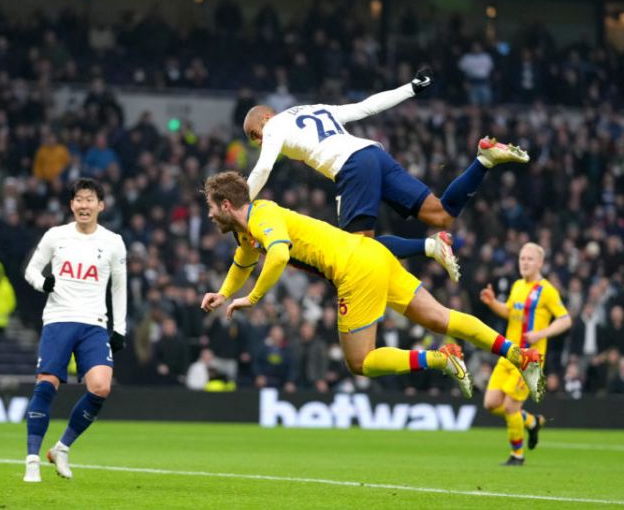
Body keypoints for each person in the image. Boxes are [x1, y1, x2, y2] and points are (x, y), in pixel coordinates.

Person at [199, 172, 543, 401]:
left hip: (355, 271)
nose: (211, 215)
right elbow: (243, 262)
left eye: (212, 208)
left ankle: (440, 360)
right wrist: (225, 293)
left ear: (226, 204)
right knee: (441, 317)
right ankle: (520, 356)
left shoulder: (263, 216)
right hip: (372, 254)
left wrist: (252, 298)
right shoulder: (247, 231)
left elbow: (276, 256)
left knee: (360, 362)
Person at [242, 69, 529, 282]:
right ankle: (483, 161)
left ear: (265, 118)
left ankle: (429, 246)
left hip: (352, 167)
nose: (258, 141)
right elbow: (366, 107)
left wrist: (244, 207)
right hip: (374, 155)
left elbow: (264, 167)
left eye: (254, 134)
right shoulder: (315, 110)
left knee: (358, 251)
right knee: (441, 214)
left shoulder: (274, 127)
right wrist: (411, 88)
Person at [21, 178, 128, 483]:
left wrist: (119, 328)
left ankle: (62, 448)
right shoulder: (56, 236)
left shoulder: (113, 242)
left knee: (101, 387)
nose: (84, 205)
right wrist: (43, 283)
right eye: (79, 200)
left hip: (94, 324)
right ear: (71, 205)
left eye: (90, 199)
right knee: (47, 384)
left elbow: (119, 286)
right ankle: (31, 460)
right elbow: (31, 269)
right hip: (59, 318)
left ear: (101, 205)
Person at [479, 243, 571, 466]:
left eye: (530, 259)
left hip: (529, 361)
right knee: (491, 403)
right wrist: (493, 303)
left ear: (540, 263)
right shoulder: (518, 285)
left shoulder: (547, 290)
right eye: (522, 258)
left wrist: (541, 333)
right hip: (509, 354)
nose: (525, 263)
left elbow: (565, 319)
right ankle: (531, 422)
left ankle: (517, 455)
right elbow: (510, 312)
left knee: (511, 407)